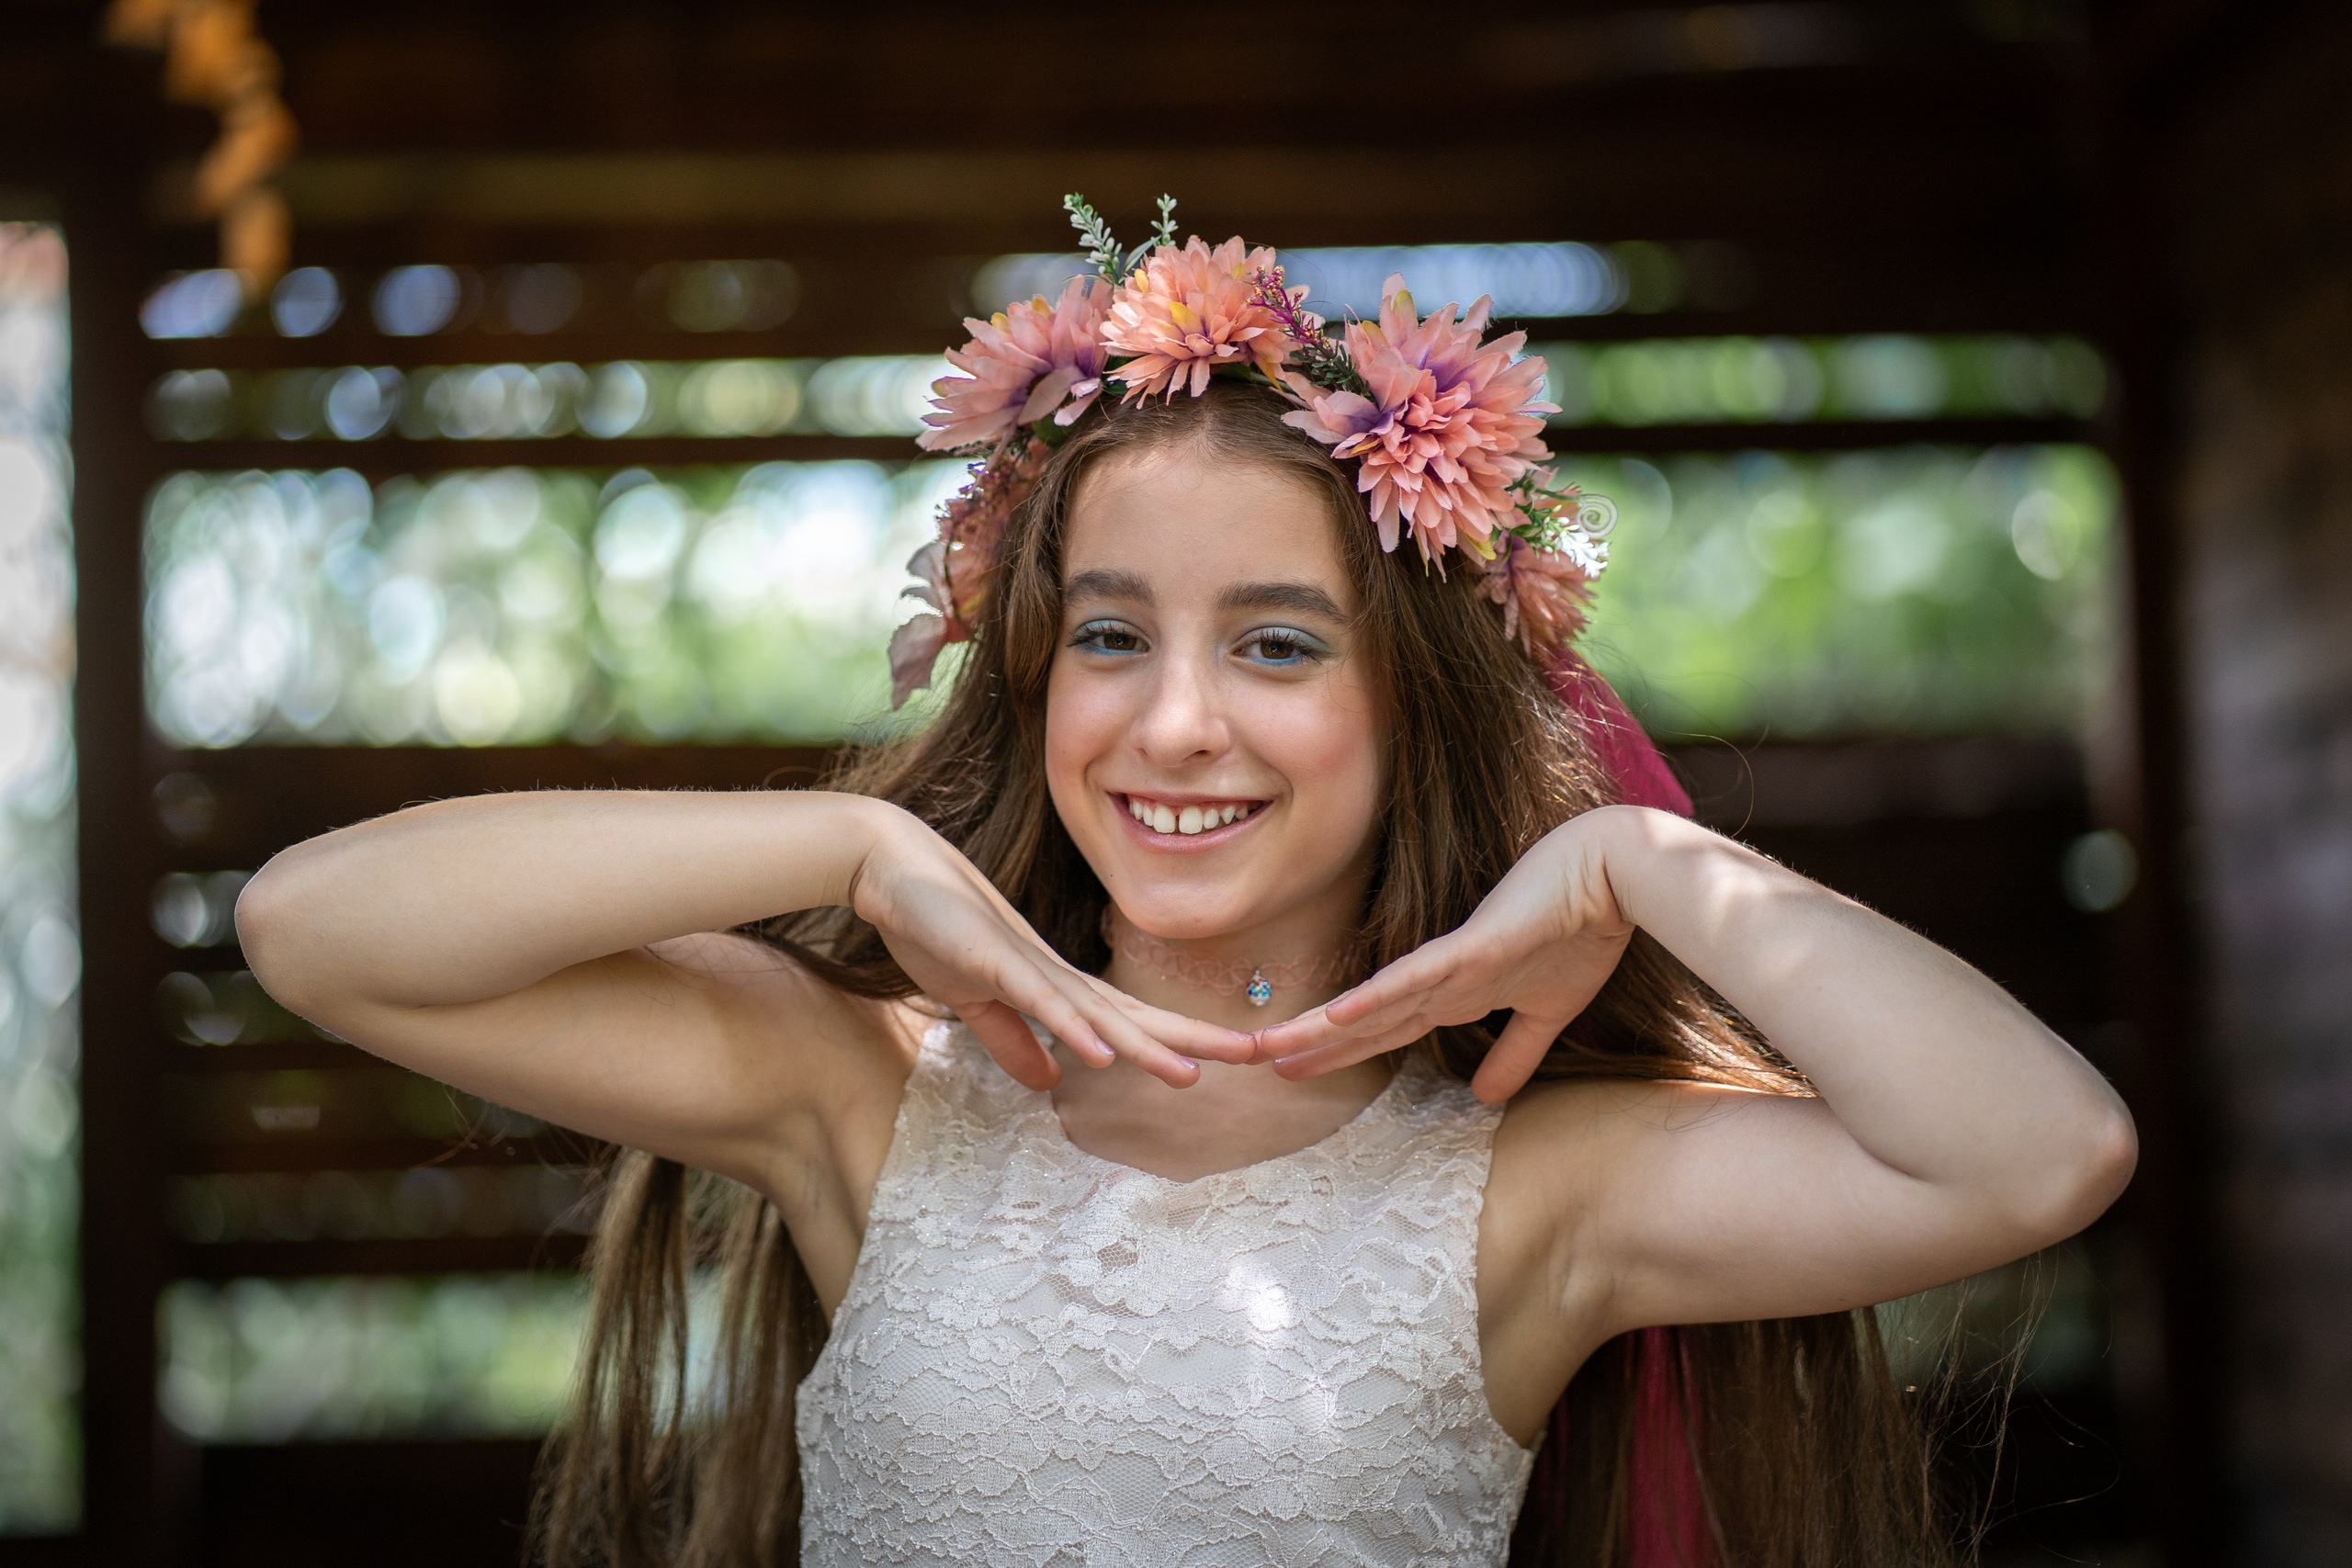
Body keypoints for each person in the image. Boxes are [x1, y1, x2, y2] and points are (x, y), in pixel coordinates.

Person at [236, 204, 2136, 1568]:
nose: (1175, 722)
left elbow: (2036, 1151)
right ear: (1030, 668)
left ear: (1411, 702)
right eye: (1109, 635)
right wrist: (851, 844)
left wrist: (1642, 863)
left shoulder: (1524, 1190)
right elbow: (311, 929)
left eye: (1279, 646)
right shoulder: (864, 1095)